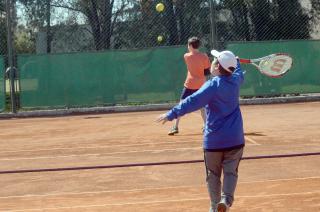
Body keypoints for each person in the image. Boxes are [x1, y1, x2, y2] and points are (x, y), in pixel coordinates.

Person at [156, 49, 245, 212]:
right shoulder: (236, 80)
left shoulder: (212, 85)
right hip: (235, 139)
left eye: (214, 60)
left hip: (214, 142)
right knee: (231, 173)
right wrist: (236, 62)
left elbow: (192, 101)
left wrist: (171, 114)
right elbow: (238, 72)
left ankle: (214, 206)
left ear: (217, 66)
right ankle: (226, 200)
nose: (212, 62)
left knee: (213, 175)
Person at [168, 36, 211, 135]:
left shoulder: (186, 56)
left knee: (181, 105)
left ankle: (175, 127)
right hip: (201, 85)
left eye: (188, 45)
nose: (187, 47)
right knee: (202, 107)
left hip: (189, 85)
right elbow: (207, 72)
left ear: (191, 46)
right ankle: (206, 126)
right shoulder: (204, 56)